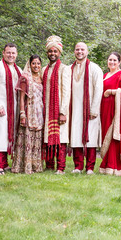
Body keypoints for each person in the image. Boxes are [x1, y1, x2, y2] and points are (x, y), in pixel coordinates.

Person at [0, 43, 22, 174]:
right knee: (1, 135)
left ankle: (6, 163)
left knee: (11, 134)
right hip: (1, 107)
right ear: (3, 53)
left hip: (15, 108)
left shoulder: (19, 70)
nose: (11, 55)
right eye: (8, 52)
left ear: (16, 54)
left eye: (13, 53)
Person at [69, 42, 103, 175]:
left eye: (82, 49)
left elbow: (99, 89)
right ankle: (78, 166)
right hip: (75, 109)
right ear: (74, 52)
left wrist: (94, 109)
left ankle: (89, 167)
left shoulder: (94, 68)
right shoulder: (70, 68)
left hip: (90, 109)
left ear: (87, 51)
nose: (79, 52)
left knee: (91, 138)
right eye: (77, 49)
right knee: (76, 137)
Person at [99, 52, 121, 176]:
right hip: (105, 109)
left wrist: (112, 92)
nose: (112, 62)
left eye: (114, 60)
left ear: (119, 62)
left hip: (117, 111)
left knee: (114, 137)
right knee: (106, 135)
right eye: (110, 60)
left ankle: (115, 166)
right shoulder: (105, 75)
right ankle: (107, 163)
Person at [42, 35, 71, 175]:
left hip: (59, 110)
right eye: (50, 51)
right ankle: (49, 165)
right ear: (47, 52)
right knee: (47, 138)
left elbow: (66, 91)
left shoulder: (64, 69)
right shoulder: (43, 70)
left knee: (61, 138)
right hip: (46, 110)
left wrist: (63, 111)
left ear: (59, 53)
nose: (52, 54)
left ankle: (60, 167)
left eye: (55, 51)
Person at [12, 55, 44, 174]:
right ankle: (23, 166)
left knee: (37, 139)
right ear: (29, 64)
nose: (36, 66)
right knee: (27, 139)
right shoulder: (25, 78)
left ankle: (35, 166)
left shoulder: (41, 78)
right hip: (28, 111)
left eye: (38, 64)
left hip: (39, 112)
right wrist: (22, 114)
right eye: (34, 63)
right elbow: (21, 98)